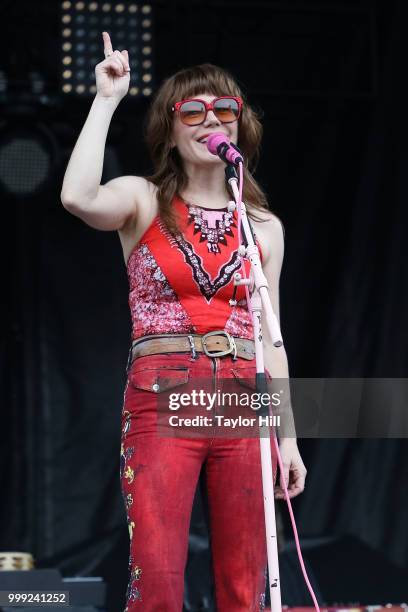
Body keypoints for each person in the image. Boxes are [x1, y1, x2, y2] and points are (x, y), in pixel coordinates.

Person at [61, 31, 307, 612]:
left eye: (224, 109)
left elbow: (272, 339)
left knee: (248, 582)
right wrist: (105, 100)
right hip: (163, 391)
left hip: (245, 398)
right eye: (191, 110)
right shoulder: (141, 199)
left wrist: (288, 438)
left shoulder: (262, 226)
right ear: (169, 131)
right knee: (160, 576)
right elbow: (76, 196)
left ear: (240, 126)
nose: (209, 119)